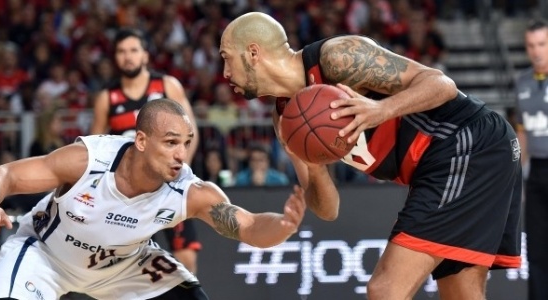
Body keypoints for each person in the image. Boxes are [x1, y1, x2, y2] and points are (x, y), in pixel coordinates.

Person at [219, 12, 522, 299]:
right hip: (449, 162)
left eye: (226, 58)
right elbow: (328, 209)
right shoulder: (285, 120)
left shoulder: (336, 59)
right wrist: (312, 164)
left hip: (467, 142)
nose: (225, 73)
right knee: (460, 294)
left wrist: (380, 110)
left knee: (385, 290)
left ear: (254, 53)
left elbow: (441, 84)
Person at [0, 98, 306, 300]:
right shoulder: (89, 160)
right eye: (171, 142)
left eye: (185, 144)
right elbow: (5, 174)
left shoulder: (189, 191)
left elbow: (246, 226)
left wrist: (284, 225)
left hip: (123, 265)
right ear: (141, 140)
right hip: (45, 256)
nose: (180, 155)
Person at [90, 28, 202, 274]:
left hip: (167, 186)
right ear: (115, 58)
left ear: (145, 56)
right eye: (121, 51)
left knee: (186, 260)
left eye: (133, 50)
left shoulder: (167, 86)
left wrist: (178, 174)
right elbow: (94, 148)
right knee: (116, 266)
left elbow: (191, 134)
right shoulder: (107, 98)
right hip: (127, 193)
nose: (127, 56)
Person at [514, 18, 548, 300]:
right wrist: (520, 176)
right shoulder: (522, 82)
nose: (536, 51)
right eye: (531, 45)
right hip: (536, 170)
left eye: (542, 44)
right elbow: (522, 132)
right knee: (536, 247)